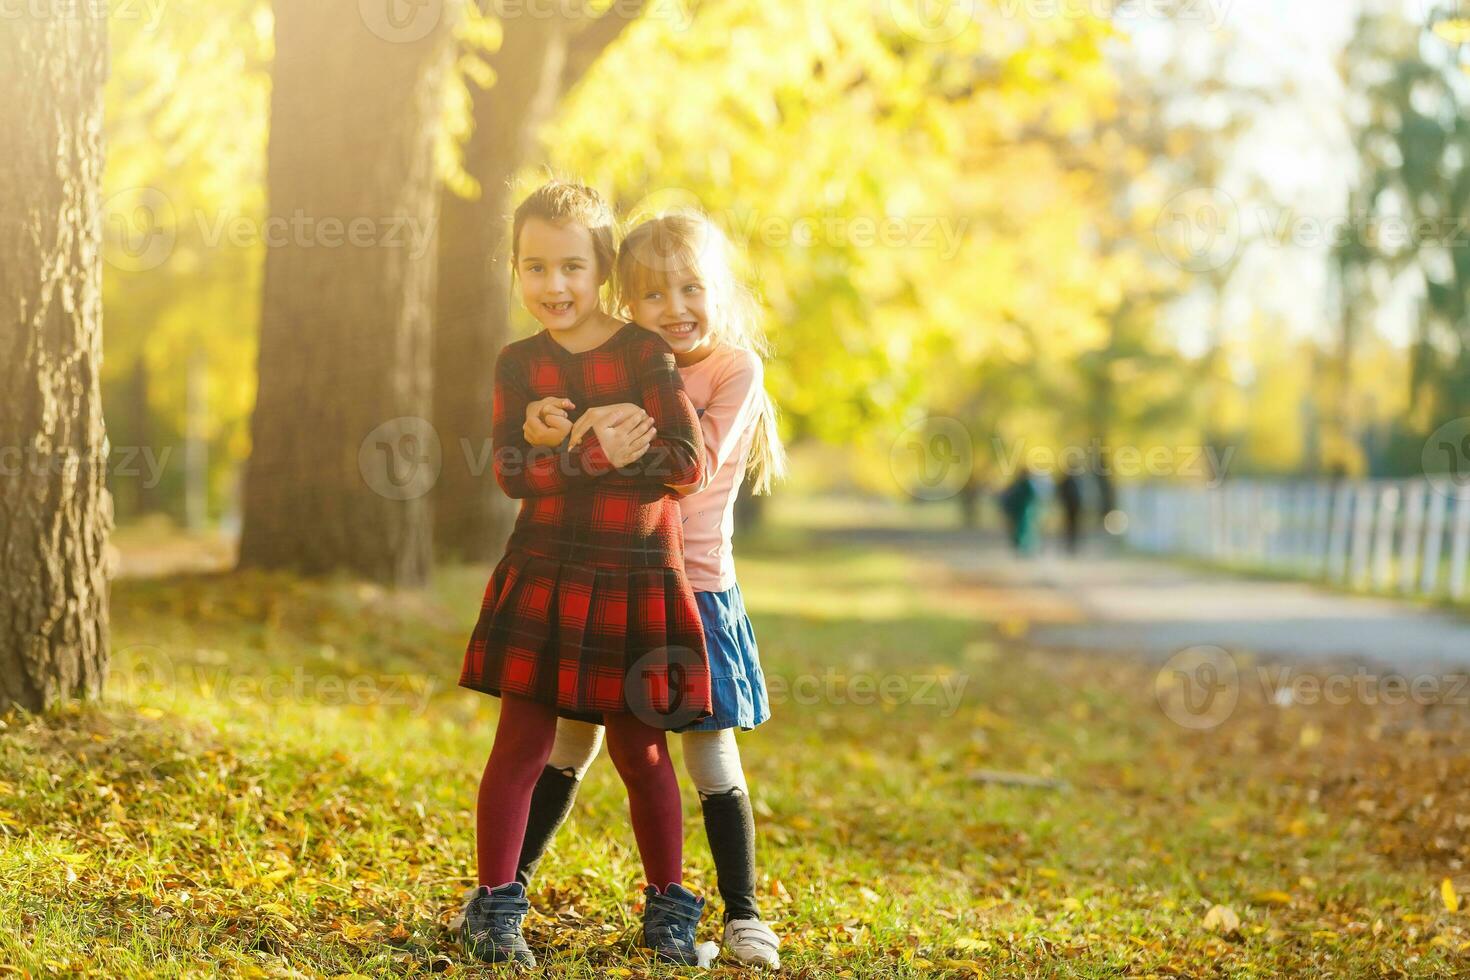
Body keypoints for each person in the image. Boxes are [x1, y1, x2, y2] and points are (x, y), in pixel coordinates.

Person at [517, 211, 787, 968]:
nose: (675, 307)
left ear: (719, 293)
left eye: (691, 288)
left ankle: (743, 916)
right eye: (652, 295)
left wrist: (612, 429)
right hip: (618, 582)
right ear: (625, 303)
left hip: (694, 589)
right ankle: (508, 891)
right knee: (574, 740)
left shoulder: (734, 369)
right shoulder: (626, 360)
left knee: (710, 756)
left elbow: (686, 470)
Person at [454, 181, 712, 967]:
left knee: (642, 752)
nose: (553, 286)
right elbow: (509, 471)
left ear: (602, 265)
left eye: (570, 266)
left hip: (635, 577)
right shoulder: (520, 363)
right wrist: (586, 449)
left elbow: (685, 464)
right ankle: (496, 908)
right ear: (515, 270)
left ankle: (668, 906)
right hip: (548, 570)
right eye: (534, 267)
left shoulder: (643, 352)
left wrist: (581, 455)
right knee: (520, 745)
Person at [1000, 467, 1041, 556]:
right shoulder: (1024, 485)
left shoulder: (1019, 484)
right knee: (1022, 529)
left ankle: (1024, 548)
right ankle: (1023, 548)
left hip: (1021, 511)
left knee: (1023, 529)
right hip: (1021, 511)